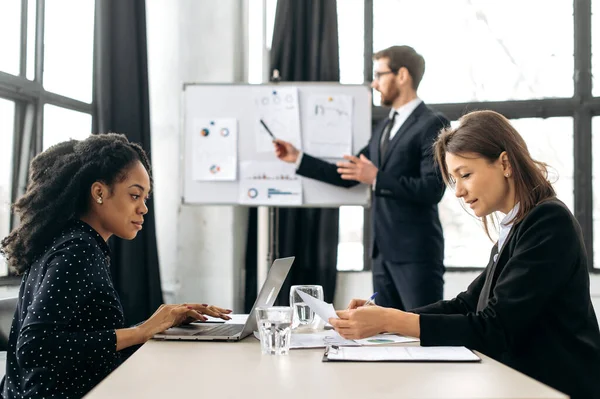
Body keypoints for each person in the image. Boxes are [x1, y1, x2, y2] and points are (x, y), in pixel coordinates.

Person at [329, 110, 600, 399]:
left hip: (557, 389)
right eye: (454, 180)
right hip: (522, 384)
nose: (458, 192)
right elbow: (467, 303)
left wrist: (389, 322)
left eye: (465, 175)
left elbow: (495, 328)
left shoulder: (547, 222)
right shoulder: (516, 227)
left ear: (505, 163)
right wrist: (386, 317)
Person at [0, 134, 232, 398]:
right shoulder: (78, 250)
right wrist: (141, 331)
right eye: (135, 195)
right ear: (99, 192)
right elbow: (34, 347)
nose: (143, 208)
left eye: (145, 198)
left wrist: (163, 321)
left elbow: (87, 339)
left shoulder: (73, 242)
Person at [274, 45, 449, 310]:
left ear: (402, 75)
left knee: (421, 331)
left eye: (379, 75)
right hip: (381, 255)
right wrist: (298, 157)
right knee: (386, 335)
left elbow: (432, 189)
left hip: (415, 255)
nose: (374, 84)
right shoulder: (384, 128)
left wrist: (378, 177)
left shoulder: (431, 123)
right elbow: (348, 174)